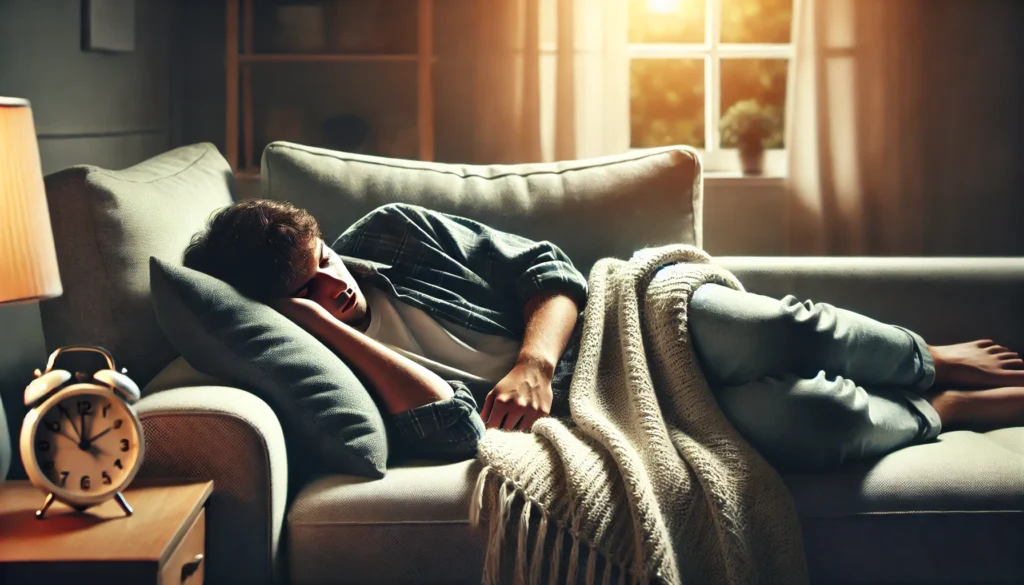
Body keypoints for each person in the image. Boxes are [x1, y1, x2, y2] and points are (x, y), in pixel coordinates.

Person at [182, 199, 1024, 470]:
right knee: (806, 421)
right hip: (607, 412)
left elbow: (552, 271)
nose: (337, 280)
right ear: (280, 309)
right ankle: (939, 407)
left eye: (325, 256)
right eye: (308, 289)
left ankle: (926, 355)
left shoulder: (393, 233)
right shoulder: (318, 363)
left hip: (630, 319)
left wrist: (534, 360)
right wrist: (323, 326)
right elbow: (447, 429)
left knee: (778, 331)